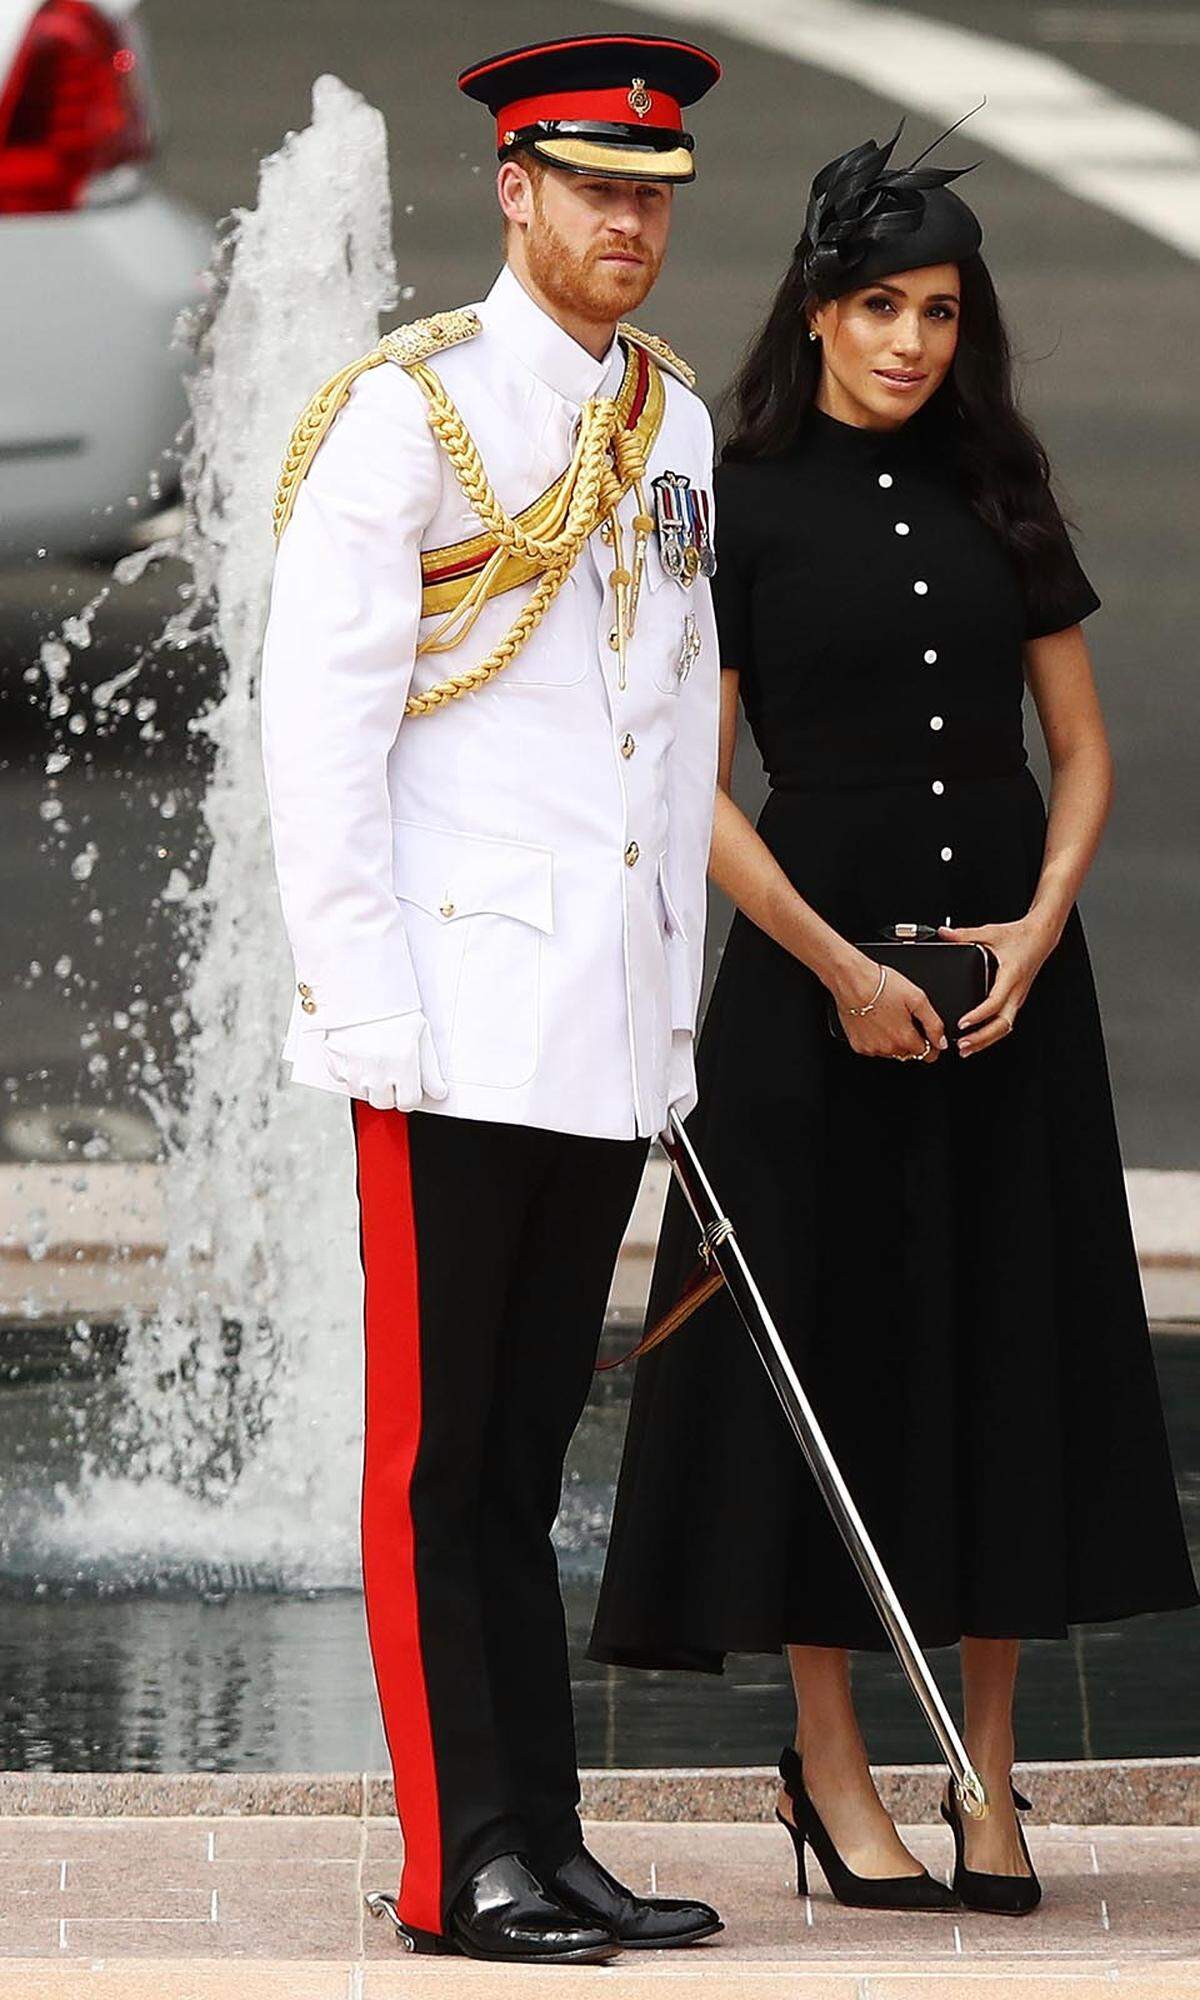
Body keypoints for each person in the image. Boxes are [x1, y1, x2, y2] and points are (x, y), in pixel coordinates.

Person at [591, 123, 1198, 1920]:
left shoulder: (999, 483)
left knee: (1009, 1348)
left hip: (1015, 989)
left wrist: (1040, 924)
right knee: (824, 1367)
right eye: (879, 306)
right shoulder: (736, 497)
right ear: (820, 311)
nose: (912, 340)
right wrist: (840, 968)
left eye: (938, 310)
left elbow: (1078, 749)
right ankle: (833, 1770)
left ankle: (990, 1780)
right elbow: (690, 795)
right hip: (808, 989)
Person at [260, 33, 727, 1965]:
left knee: (531, 1460)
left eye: (654, 196)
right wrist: (362, 1004)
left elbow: (676, 721)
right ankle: (460, 1865)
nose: (627, 225)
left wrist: (673, 1011)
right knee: (438, 1466)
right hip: (447, 1023)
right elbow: (322, 736)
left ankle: (548, 1831)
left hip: (598, 1030)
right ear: (514, 190)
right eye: (593, 188)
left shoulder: (673, 425)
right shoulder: (408, 419)